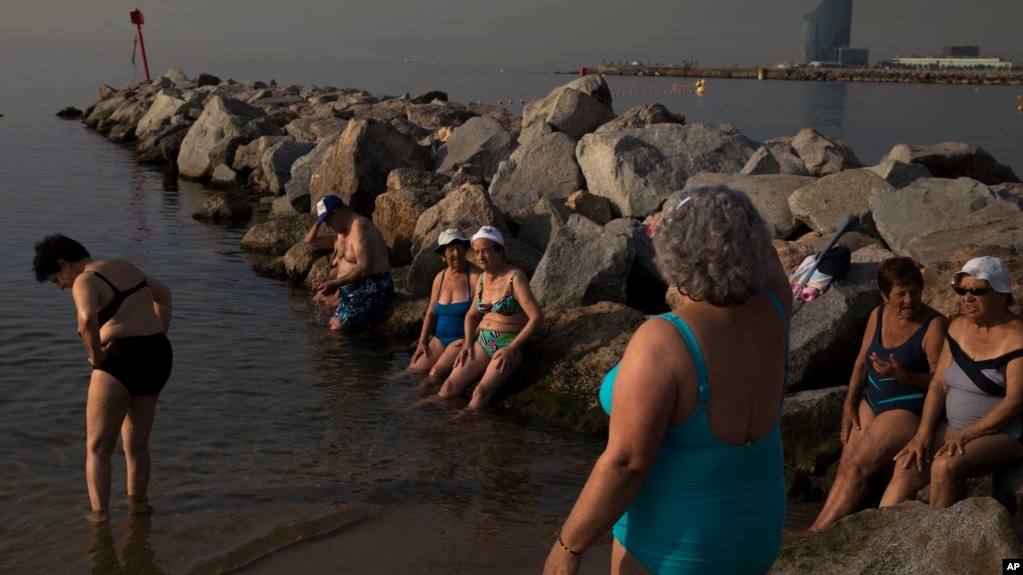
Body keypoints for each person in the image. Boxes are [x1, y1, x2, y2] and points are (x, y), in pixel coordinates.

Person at [544, 186, 791, 575]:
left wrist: (568, 546)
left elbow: (627, 463)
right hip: (757, 535)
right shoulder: (776, 304)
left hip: (676, 550)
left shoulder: (665, 340)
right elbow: (763, 249)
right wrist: (702, 213)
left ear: (675, 256)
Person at [33, 234, 173, 522]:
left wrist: (97, 356)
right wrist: (159, 333)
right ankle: (138, 510)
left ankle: (100, 519)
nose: (61, 287)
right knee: (137, 447)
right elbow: (164, 294)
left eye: (56, 279)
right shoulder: (123, 265)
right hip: (157, 354)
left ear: (64, 264)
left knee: (98, 449)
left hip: (121, 360)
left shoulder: (85, 280)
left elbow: (87, 319)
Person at [805, 257, 947, 533]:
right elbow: (861, 363)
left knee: (858, 464)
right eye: (900, 294)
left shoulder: (934, 325)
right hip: (872, 400)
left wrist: (905, 377)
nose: (909, 300)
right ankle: (820, 526)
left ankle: (815, 534)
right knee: (846, 463)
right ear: (884, 295)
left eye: (915, 291)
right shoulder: (878, 314)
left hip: (906, 407)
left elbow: (942, 382)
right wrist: (849, 405)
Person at [880, 256, 1023, 509]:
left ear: (1002, 294)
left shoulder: (1017, 339)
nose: (967, 297)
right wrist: (923, 433)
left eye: (977, 291)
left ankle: (938, 541)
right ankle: (882, 542)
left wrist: (967, 435)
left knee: (944, 467)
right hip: (954, 427)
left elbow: (1014, 403)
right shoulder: (957, 327)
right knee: (907, 464)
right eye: (962, 290)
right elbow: (938, 385)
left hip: (1005, 433)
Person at [437, 226, 543, 410]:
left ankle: (461, 428)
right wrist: (469, 342)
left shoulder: (515, 278)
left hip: (509, 343)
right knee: (448, 387)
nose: (480, 257)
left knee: (480, 393)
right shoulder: (482, 278)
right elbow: (471, 315)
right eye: (477, 252)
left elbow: (537, 318)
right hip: (484, 341)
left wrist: (512, 348)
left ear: (500, 251)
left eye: (486, 251)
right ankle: (441, 429)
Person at [304, 194, 393, 330]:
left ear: (337, 214)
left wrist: (335, 283)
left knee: (337, 327)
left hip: (374, 284)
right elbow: (311, 241)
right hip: (351, 285)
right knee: (329, 321)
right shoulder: (341, 232)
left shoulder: (359, 228)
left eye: (327, 221)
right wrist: (319, 221)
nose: (327, 226)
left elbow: (365, 268)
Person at [408, 229, 480, 378]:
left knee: (435, 373)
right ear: (442, 256)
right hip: (438, 339)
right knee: (413, 370)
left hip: (460, 339)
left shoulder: (475, 277)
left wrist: (470, 340)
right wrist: (422, 342)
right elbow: (430, 313)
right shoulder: (439, 278)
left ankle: (423, 402)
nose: (456, 254)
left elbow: (484, 314)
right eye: (451, 250)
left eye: (460, 248)